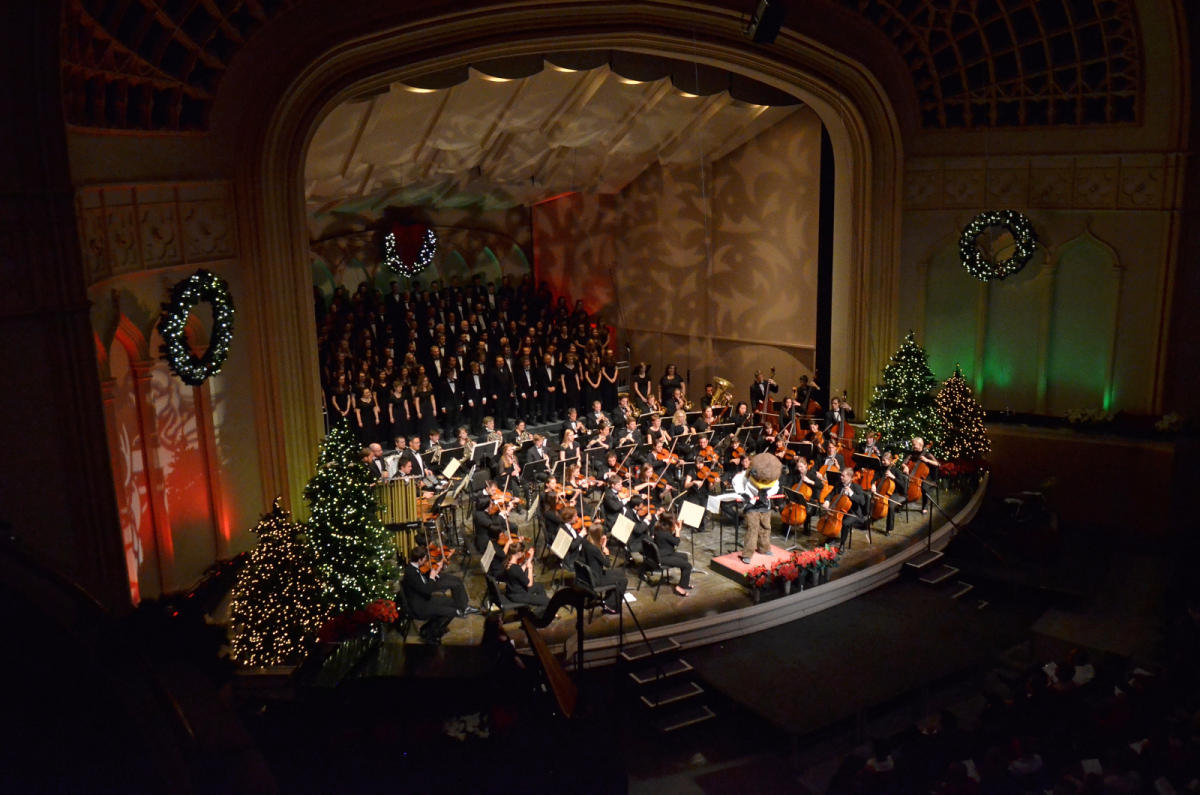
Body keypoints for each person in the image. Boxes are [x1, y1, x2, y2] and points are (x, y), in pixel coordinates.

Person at [402, 545, 478, 645]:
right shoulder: (411, 573)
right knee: (453, 611)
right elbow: (427, 590)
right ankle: (431, 635)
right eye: (425, 558)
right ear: (420, 559)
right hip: (420, 607)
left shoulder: (414, 567)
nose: (426, 560)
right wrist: (432, 577)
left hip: (424, 600)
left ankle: (429, 628)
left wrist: (435, 572)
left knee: (453, 603)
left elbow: (424, 582)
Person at [732, 453, 780, 564]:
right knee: (753, 529)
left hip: (764, 504)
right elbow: (737, 481)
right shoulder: (746, 474)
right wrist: (742, 493)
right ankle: (747, 554)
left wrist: (766, 494)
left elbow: (776, 485)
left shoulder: (768, 475)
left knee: (765, 527)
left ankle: (764, 548)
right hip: (752, 504)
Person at [580, 524, 626, 615]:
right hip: (596, 579)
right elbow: (607, 564)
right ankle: (612, 607)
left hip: (590, 575)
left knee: (620, 572)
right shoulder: (594, 549)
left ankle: (609, 600)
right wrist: (607, 552)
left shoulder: (585, 542)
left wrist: (602, 545)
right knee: (623, 580)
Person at [502, 542, 550, 615]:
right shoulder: (516, 569)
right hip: (520, 595)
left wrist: (529, 559)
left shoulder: (507, 563)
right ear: (519, 553)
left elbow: (519, 572)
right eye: (523, 552)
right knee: (547, 601)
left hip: (512, 592)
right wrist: (530, 568)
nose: (523, 554)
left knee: (539, 586)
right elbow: (529, 584)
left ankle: (543, 609)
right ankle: (534, 615)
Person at [653, 515, 693, 597]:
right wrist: (678, 532)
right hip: (663, 557)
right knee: (688, 566)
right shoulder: (666, 533)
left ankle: (684, 583)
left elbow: (669, 538)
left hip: (663, 552)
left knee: (684, 556)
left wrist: (677, 529)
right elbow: (676, 542)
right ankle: (680, 587)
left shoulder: (659, 528)